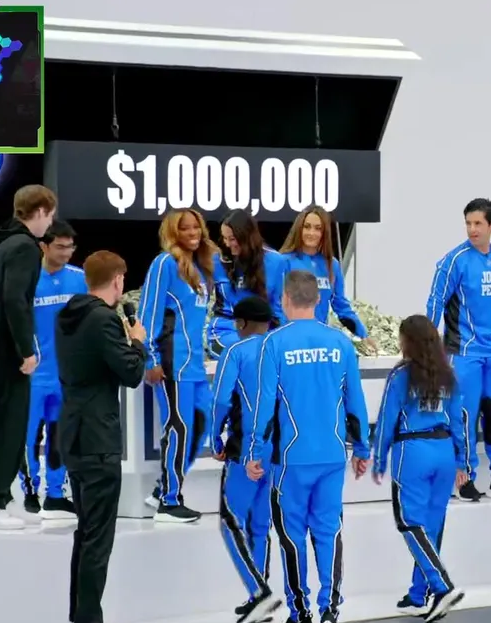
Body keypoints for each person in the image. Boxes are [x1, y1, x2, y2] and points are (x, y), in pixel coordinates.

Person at [247, 269, 372, 623]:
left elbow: (264, 404)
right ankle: (330, 612)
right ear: (318, 301)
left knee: (292, 536)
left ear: (283, 300)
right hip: (332, 455)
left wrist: (255, 452)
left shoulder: (274, 343)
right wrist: (361, 448)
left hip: (291, 458)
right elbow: (355, 401)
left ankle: (301, 617)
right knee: (329, 531)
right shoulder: (341, 342)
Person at [54, 250, 147, 623]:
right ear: (118, 281)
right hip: (97, 438)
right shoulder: (104, 319)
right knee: (98, 535)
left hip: (74, 433)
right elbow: (131, 372)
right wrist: (137, 343)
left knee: (86, 531)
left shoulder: (67, 316)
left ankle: (79, 620)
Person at [0, 185, 57, 530]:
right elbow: (16, 301)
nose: (51, 222)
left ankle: (2, 496)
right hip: (7, 346)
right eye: (50, 215)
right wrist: (26, 350)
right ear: (41, 211)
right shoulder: (24, 247)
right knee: (8, 423)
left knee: (12, 421)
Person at [425, 198, 491, 502]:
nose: (472, 229)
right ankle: (464, 477)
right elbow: (435, 302)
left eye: (478, 223)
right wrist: (429, 346)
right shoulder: (454, 260)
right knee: (464, 416)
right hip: (464, 352)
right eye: (468, 223)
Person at [372, 315, 471, 623]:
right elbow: (460, 421)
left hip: (412, 452)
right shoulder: (448, 375)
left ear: (407, 341)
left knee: (410, 522)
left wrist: (378, 459)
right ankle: (418, 595)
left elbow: (387, 419)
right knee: (431, 527)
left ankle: (441, 587)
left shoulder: (401, 375)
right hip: (444, 451)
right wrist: (462, 462)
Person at [138, 209, 219, 523]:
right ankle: (169, 502)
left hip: (195, 365)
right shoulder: (164, 264)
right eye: (185, 229)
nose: (193, 233)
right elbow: (149, 312)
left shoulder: (200, 268)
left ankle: (163, 489)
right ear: (174, 232)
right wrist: (150, 358)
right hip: (172, 364)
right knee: (178, 428)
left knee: (203, 424)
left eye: (196, 227)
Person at [208, 296, 280, 623]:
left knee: (230, 521)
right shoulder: (280, 350)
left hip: (245, 448)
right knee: (260, 525)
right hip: (277, 450)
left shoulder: (235, 352)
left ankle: (258, 591)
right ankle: (259, 596)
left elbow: (221, 400)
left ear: (240, 323)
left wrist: (215, 438)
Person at [19, 220, 87, 519]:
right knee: (29, 436)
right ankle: (30, 491)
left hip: (66, 376)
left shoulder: (80, 279)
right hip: (33, 376)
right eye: (60, 247)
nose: (67, 253)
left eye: (70, 247)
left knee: (61, 436)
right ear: (43, 246)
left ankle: (56, 494)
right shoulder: (26, 280)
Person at [279, 205, 377, 353]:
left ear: (324, 232)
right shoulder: (283, 262)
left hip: (319, 343)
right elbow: (275, 304)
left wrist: (363, 334)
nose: (311, 233)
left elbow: (341, 306)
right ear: (299, 229)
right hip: (290, 342)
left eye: (318, 228)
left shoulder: (332, 265)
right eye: (307, 227)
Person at [207, 210, 287, 355]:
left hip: (262, 330)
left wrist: (281, 337)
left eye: (232, 239)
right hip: (226, 329)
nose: (227, 244)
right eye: (224, 238)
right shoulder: (217, 261)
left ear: (247, 236)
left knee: (264, 353)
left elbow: (278, 307)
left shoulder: (275, 261)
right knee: (244, 353)